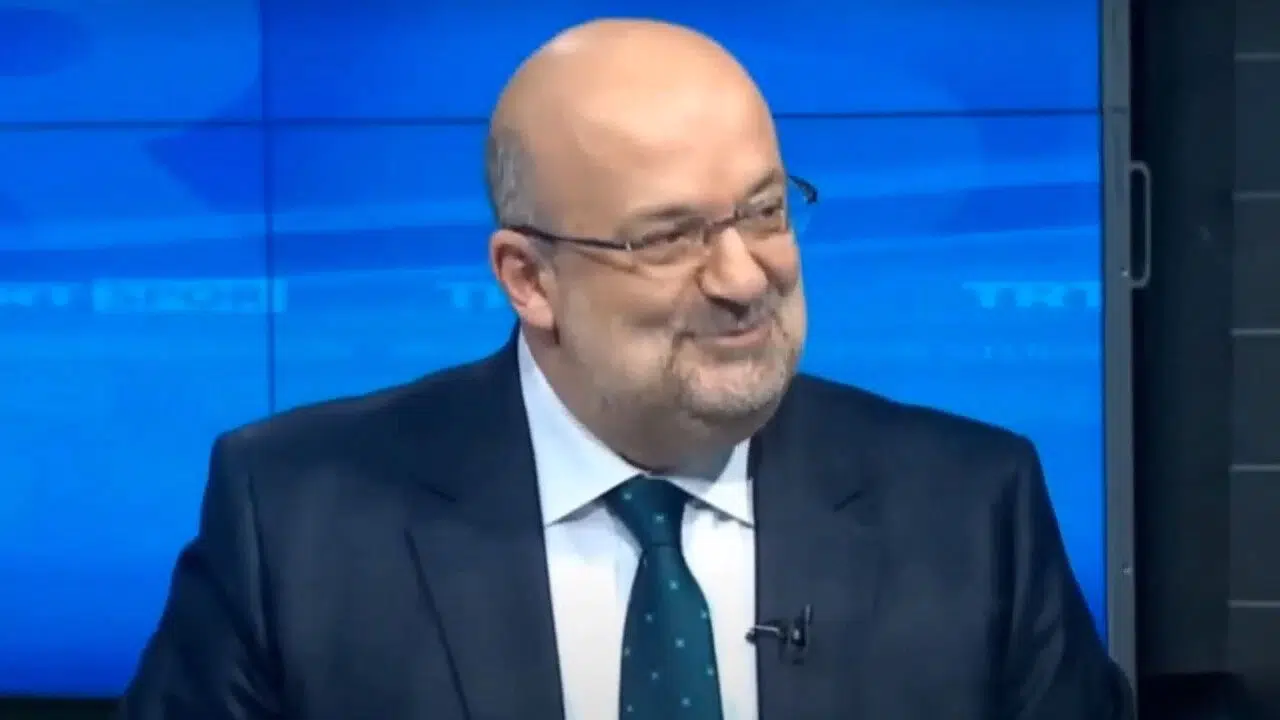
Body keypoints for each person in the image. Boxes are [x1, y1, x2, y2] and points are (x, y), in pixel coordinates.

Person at [120, 18, 1133, 720]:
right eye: (666, 238)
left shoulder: (970, 508)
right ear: (529, 279)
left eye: (765, 212)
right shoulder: (294, 519)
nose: (743, 277)